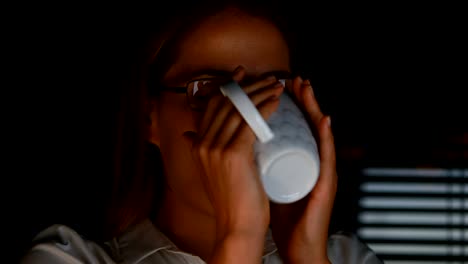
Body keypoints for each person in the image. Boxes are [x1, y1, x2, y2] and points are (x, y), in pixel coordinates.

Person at [21, 0, 383, 263]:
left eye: (273, 89)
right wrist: (238, 236)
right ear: (149, 117)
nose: (251, 120)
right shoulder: (68, 259)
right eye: (210, 90)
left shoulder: (344, 258)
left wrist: (304, 257)